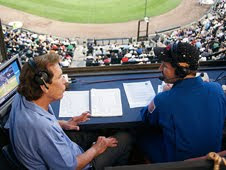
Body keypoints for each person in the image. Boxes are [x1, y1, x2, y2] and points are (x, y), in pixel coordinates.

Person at [5, 52, 131, 170]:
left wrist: (62, 123)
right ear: (44, 86)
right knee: (125, 138)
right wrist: (96, 149)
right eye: (60, 77)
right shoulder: (41, 128)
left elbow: (40, 125)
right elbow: (70, 167)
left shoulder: (21, 95)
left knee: (100, 131)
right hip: (74, 165)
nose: (65, 81)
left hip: (63, 149)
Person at [139, 41, 226, 163]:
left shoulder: (163, 99)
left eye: (165, 66)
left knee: (140, 134)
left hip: (179, 164)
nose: (160, 68)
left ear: (181, 71)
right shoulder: (217, 89)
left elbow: (146, 117)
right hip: (213, 160)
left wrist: (162, 94)